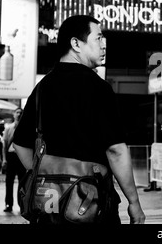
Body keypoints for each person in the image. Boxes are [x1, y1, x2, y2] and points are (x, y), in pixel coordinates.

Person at [13, 15, 145, 224]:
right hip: (92, 206)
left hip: (49, 209)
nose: (104, 45)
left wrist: (47, 172)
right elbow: (116, 150)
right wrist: (134, 202)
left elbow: (20, 144)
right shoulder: (99, 88)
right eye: (98, 38)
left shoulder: (42, 88)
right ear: (76, 44)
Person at [2, 108, 26, 213]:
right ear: (13, 114)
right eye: (17, 112)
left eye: (21, 113)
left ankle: (21, 205)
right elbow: (4, 145)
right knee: (9, 182)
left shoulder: (25, 128)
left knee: (22, 182)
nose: (19, 114)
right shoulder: (9, 128)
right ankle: (8, 204)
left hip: (21, 157)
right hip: (11, 156)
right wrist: (4, 159)